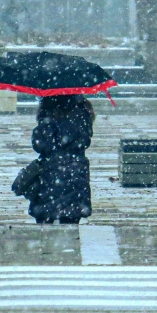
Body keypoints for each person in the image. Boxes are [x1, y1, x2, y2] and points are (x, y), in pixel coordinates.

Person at [27, 94, 95, 224]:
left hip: (51, 169)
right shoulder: (83, 110)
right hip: (76, 168)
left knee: (45, 220)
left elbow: (40, 144)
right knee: (71, 219)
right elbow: (85, 140)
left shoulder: (48, 111)